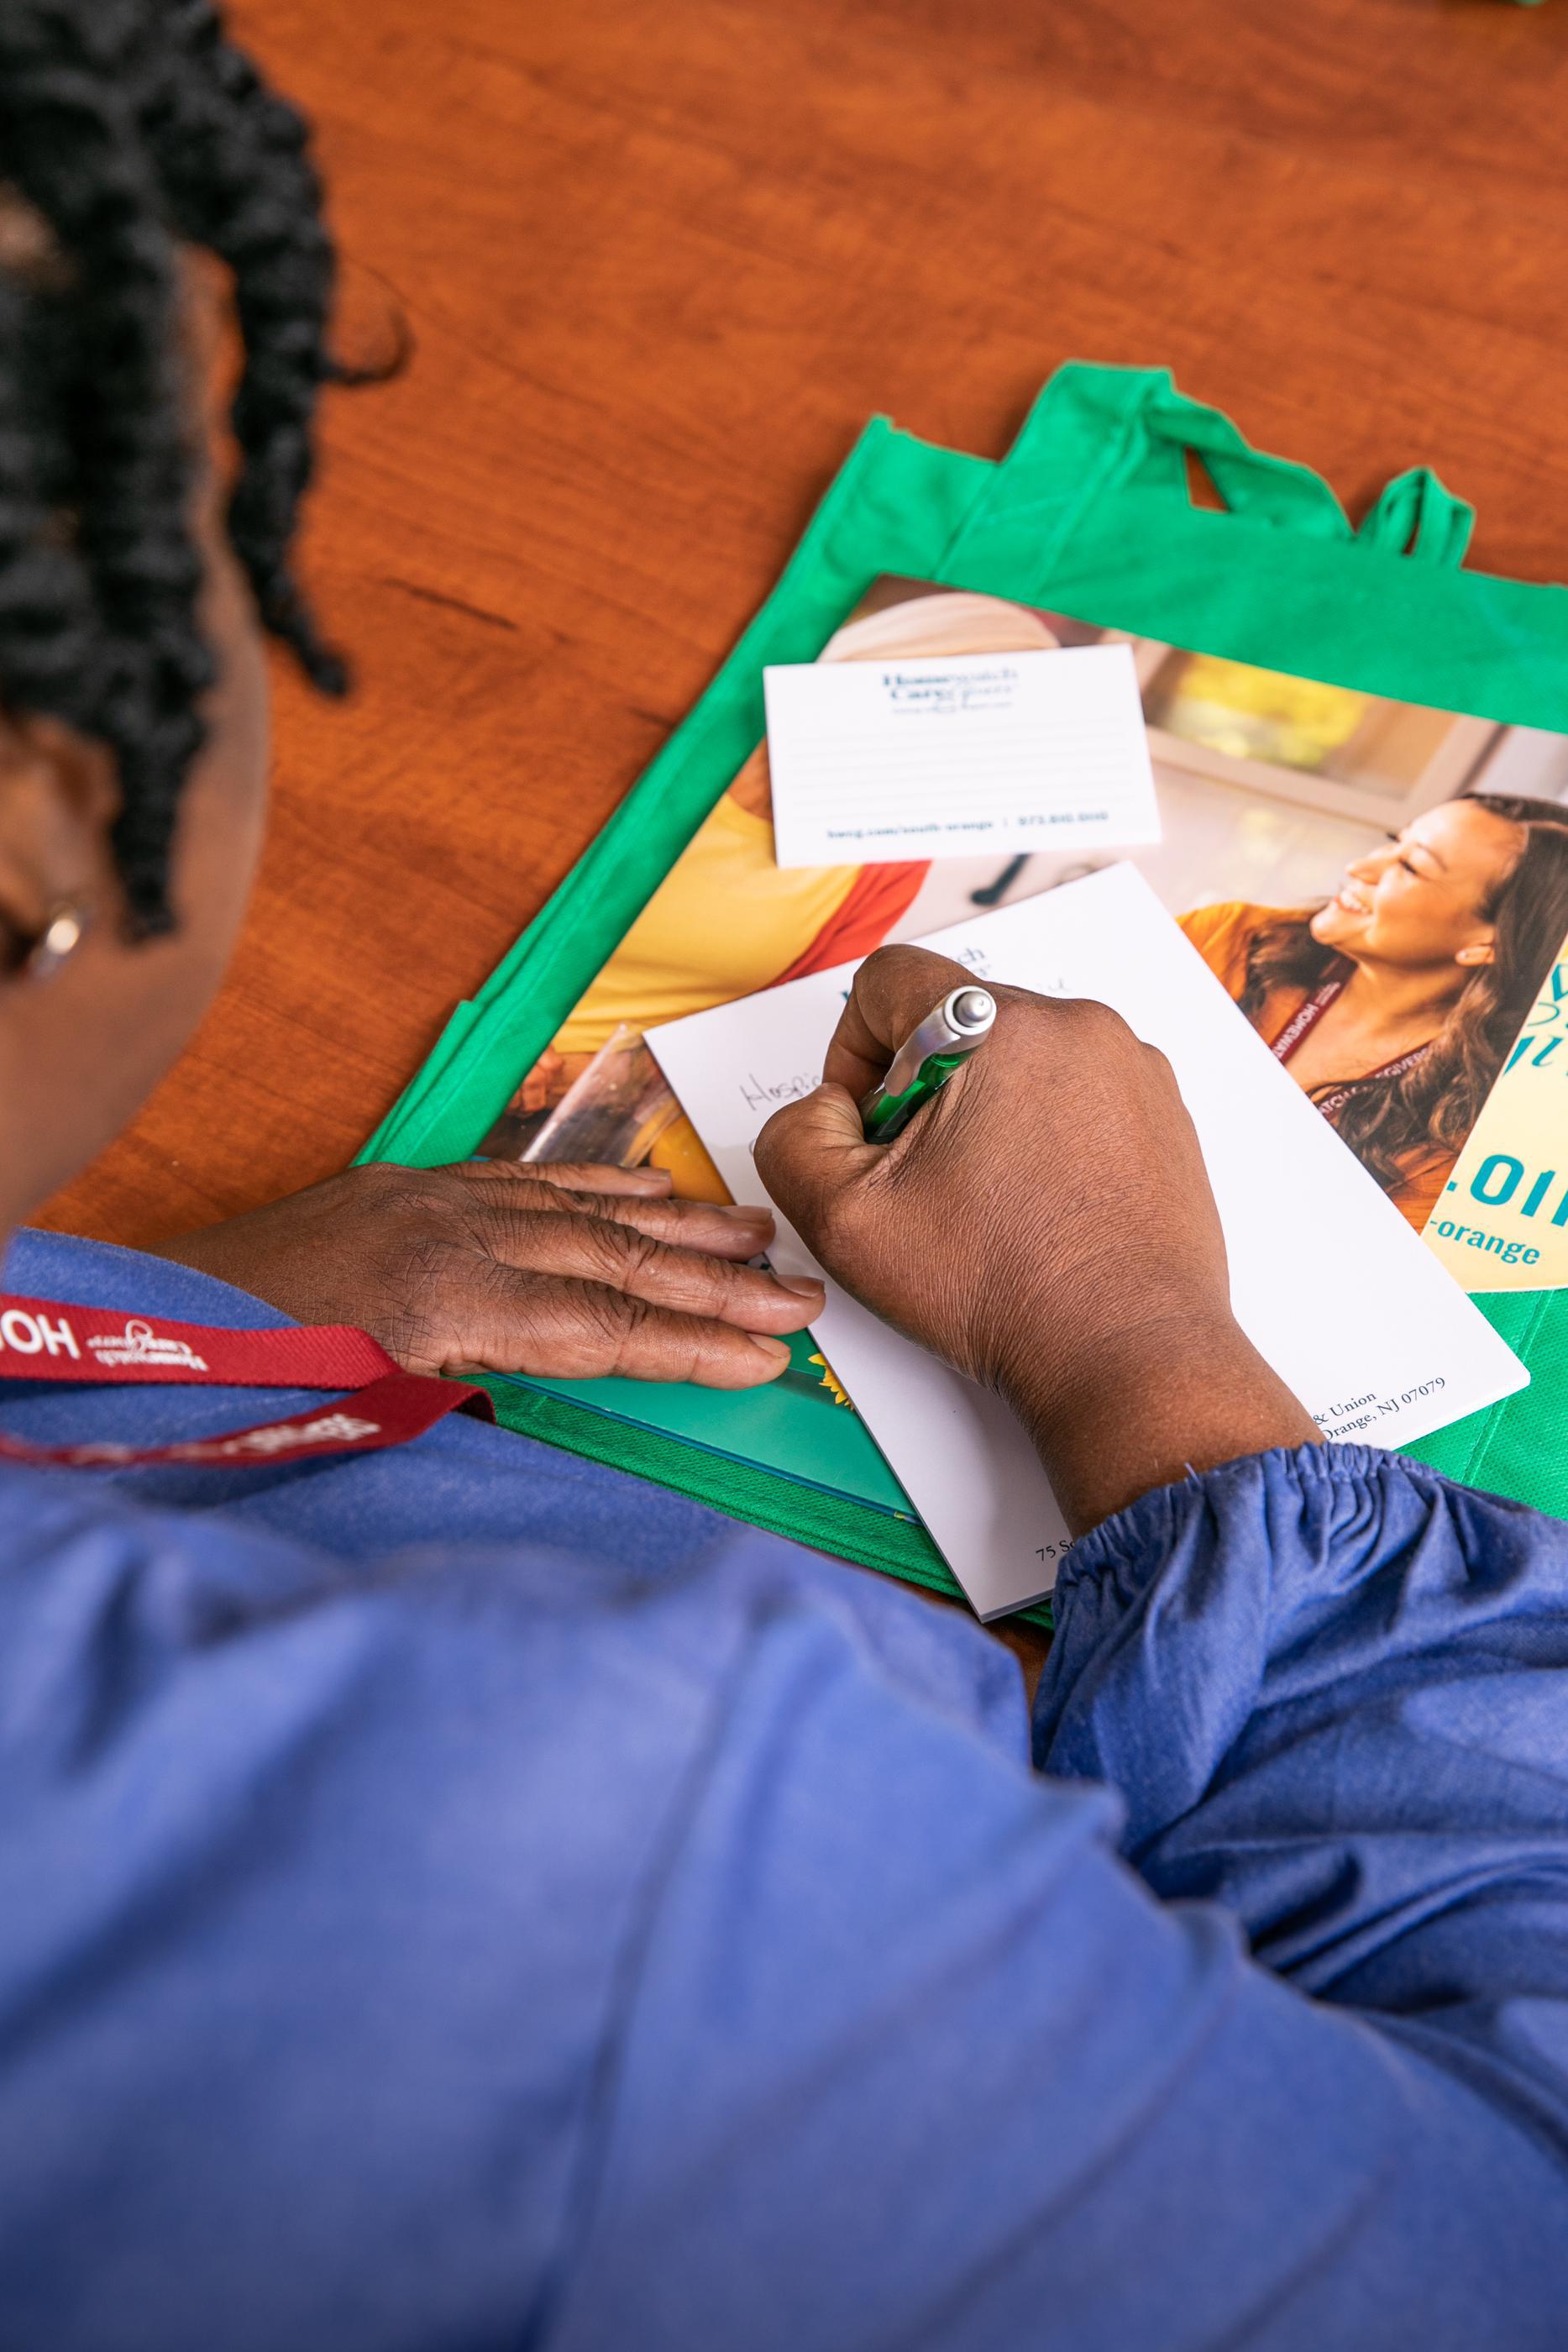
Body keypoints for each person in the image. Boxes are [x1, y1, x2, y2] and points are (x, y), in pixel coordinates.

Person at [1, 10, 1566, 2349]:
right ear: (43, 837)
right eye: (212, 534)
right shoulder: (611, 1856)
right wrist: (1141, 1351)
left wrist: (114, 1336)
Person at [1181, 793, 1568, 1226]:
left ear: (1486, 944)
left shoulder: (1457, 1135)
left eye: (1410, 867)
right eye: (1393, 841)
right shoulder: (1226, 937)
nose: (1359, 868)